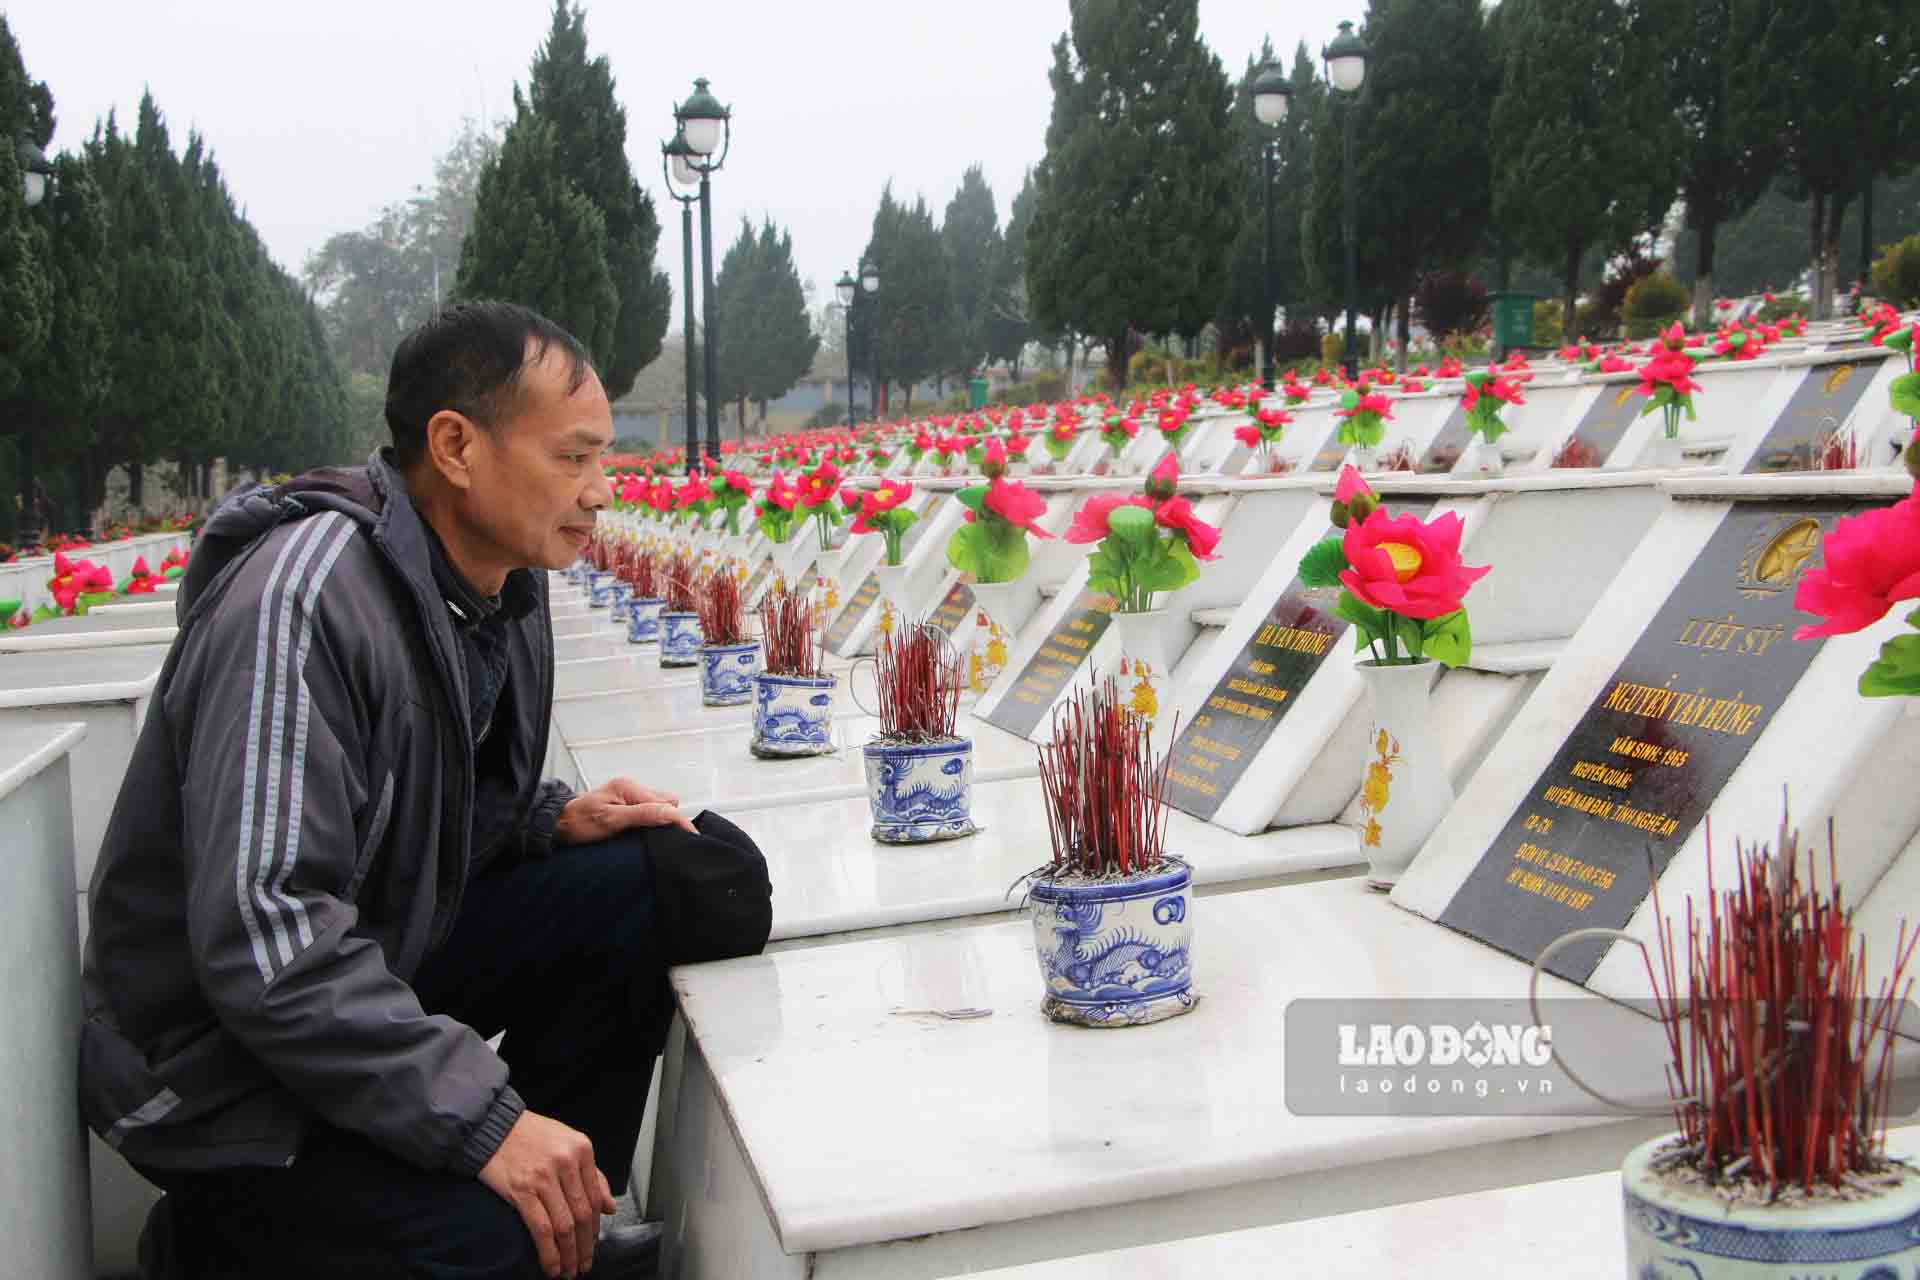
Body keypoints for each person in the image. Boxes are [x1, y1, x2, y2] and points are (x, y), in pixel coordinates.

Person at [80, 301, 772, 1280]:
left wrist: (546, 820)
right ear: (454, 445)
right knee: (500, 1249)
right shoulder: (305, 603)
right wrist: (486, 1121)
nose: (599, 490)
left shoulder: (496, 583)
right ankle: (220, 1240)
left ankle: (563, 1198)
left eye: (602, 458)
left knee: (692, 877)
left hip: (374, 956)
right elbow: (264, 934)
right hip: (231, 1075)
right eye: (572, 457)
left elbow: (430, 806)